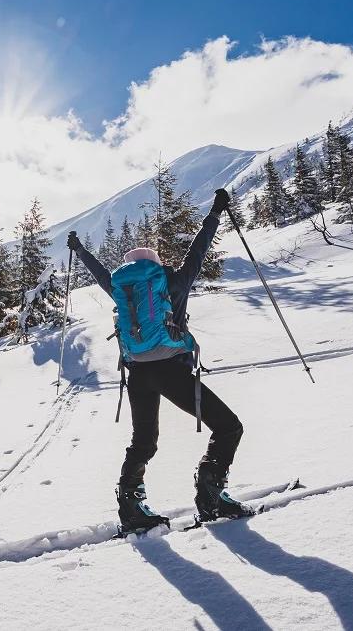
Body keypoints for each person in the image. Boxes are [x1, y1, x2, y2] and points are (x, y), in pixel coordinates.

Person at [66, 188, 252, 534]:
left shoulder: (122, 289)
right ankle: (211, 494)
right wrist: (215, 212)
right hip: (172, 372)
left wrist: (79, 250)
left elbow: (99, 273)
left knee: (144, 441)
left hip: (137, 374)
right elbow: (199, 250)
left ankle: (132, 506)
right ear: (154, 263)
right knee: (228, 427)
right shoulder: (174, 281)